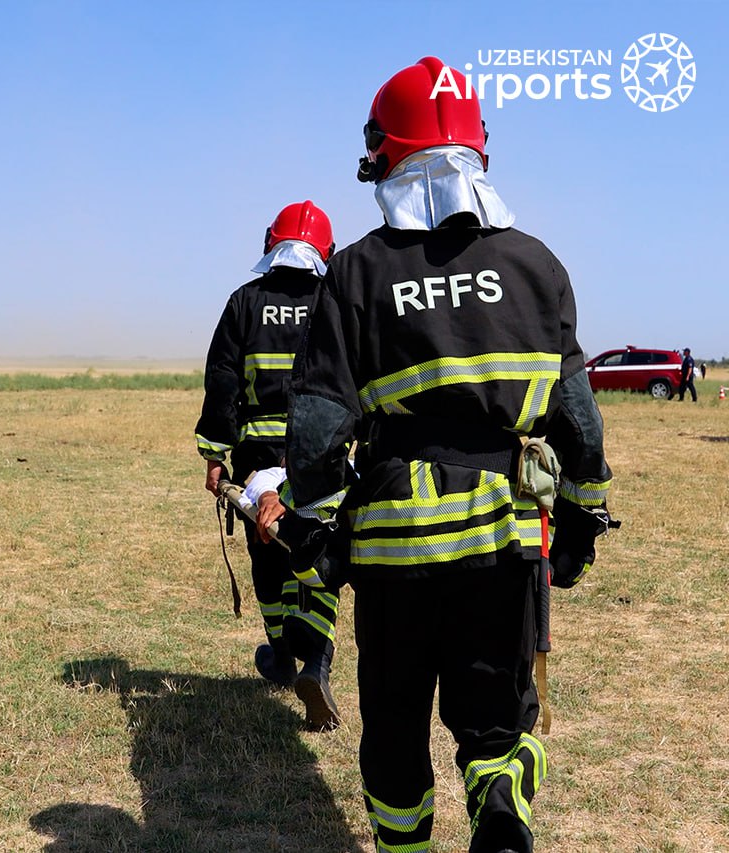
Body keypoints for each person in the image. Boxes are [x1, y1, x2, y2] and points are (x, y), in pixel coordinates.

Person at [272, 57, 614, 853]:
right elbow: (579, 421)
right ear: (478, 149)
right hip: (504, 541)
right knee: (497, 720)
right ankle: (500, 803)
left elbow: (317, 428)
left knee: (394, 727)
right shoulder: (537, 266)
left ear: (383, 155)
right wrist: (582, 518)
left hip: (394, 552)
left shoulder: (356, 271)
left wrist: (314, 531)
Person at [195, 201, 343, 730]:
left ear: (269, 244)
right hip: (320, 454)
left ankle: (281, 655)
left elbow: (223, 383)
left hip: (257, 458)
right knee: (320, 552)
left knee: (266, 553)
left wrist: (214, 454)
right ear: (325, 252)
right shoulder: (334, 300)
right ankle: (317, 660)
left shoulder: (245, 302)